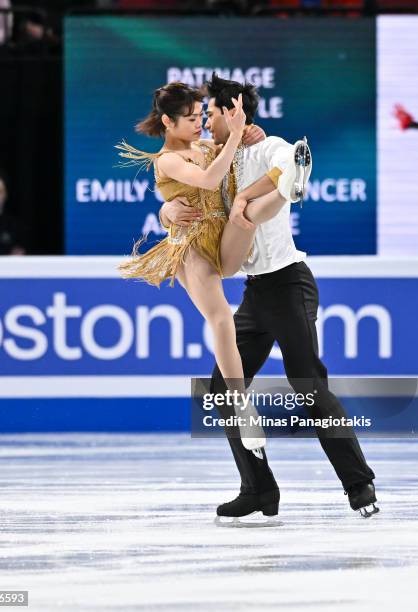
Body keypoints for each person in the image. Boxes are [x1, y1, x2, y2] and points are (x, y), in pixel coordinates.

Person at [159, 73, 379, 524]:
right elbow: (176, 177)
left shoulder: (267, 145)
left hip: (289, 281)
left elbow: (289, 162)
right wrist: (166, 208)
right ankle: (259, 489)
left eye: (211, 114)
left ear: (233, 113)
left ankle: (359, 484)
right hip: (255, 292)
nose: (205, 123)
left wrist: (268, 179)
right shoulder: (212, 157)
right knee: (221, 388)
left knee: (307, 383)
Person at [117, 81, 309, 454]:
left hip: (223, 240)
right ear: (168, 122)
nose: (199, 124)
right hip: (192, 248)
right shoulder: (167, 160)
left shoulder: (206, 147)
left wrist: (252, 132)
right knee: (222, 317)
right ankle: (241, 406)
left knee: (246, 214)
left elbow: (233, 156)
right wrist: (166, 210)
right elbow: (209, 179)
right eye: (190, 118)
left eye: (200, 116)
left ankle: (288, 188)